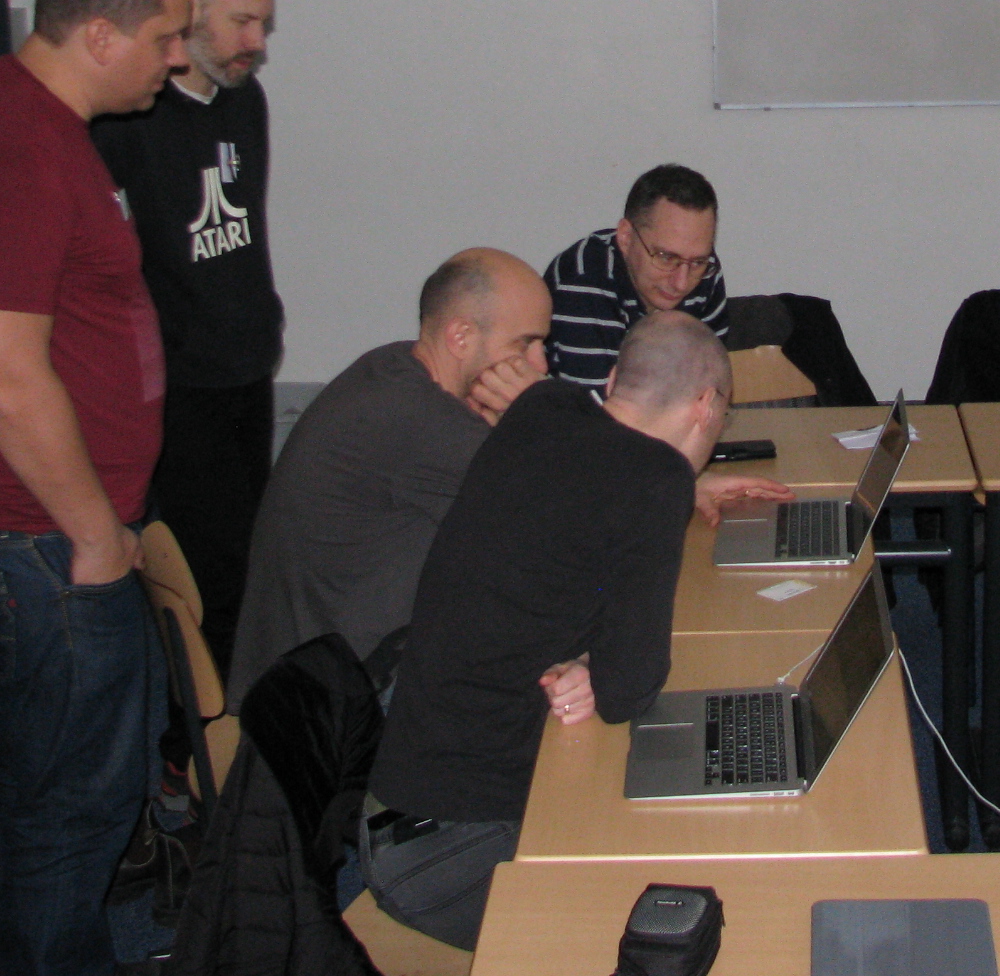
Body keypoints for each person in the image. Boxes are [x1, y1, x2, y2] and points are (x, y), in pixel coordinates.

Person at [0, 0, 189, 976]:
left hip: (43, 531)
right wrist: (94, 536)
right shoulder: (15, 144)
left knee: (52, 782)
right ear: (100, 34)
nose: (178, 58)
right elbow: (5, 377)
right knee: (76, 801)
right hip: (30, 538)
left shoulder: (34, 124)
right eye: (165, 37)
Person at [358, 312, 733, 951]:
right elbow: (629, 690)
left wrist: (587, 659)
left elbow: (554, 562)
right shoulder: (656, 479)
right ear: (705, 406)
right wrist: (600, 666)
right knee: (681, 931)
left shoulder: (544, 407)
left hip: (400, 798)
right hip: (453, 851)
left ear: (613, 381)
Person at [224, 247, 551, 710]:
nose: (540, 365)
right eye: (524, 344)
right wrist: (540, 416)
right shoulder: (417, 419)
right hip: (326, 709)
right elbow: (572, 515)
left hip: (319, 673)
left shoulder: (393, 367)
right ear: (460, 336)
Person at [90, 0, 282, 672]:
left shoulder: (245, 102)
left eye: (263, 24)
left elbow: (241, 232)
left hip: (247, 364)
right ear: (190, 13)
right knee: (200, 567)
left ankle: (243, 696)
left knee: (248, 551)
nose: (256, 43)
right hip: (177, 383)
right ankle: (201, 718)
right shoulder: (128, 119)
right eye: (241, 22)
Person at [543, 163, 729, 392]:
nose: (681, 283)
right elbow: (593, 409)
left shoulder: (706, 271)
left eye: (698, 262)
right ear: (626, 237)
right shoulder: (583, 278)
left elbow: (710, 391)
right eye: (666, 258)